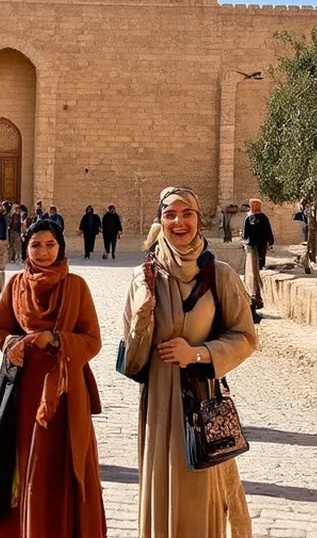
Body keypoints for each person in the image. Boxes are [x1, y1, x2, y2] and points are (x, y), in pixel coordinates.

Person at [119, 187, 258, 538]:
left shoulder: (220, 275)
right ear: (160, 220)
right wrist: (141, 322)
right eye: (170, 215)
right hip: (158, 405)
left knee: (201, 494)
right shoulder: (143, 277)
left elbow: (245, 337)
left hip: (201, 399)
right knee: (162, 490)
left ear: (198, 219)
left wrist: (198, 354)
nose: (179, 222)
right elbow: (132, 362)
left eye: (187, 214)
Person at [0, 218, 106, 537]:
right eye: (36, 245)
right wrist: (9, 344)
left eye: (51, 244)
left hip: (65, 394)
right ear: (26, 248)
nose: (44, 251)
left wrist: (56, 339)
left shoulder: (76, 286)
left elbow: (92, 341)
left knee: (60, 465)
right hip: (24, 395)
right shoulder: (16, 285)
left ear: (60, 247)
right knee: (27, 464)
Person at [242, 198, 275, 324]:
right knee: (252, 272)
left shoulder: (263, 217)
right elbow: (245, 233)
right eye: (253, 204)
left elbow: (268, 230)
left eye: (256, 204)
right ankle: (254, 298)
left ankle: (256, 297)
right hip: (251, 246)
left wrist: (270, 242)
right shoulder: (248, 217)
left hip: (261, 245)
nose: (254, 206)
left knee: (258, 269)